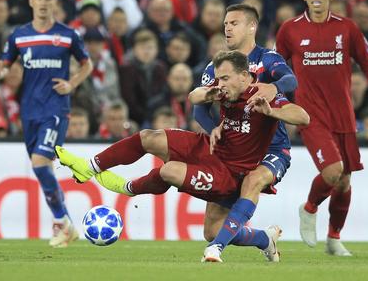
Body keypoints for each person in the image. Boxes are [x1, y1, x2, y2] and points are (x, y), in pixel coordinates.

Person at [57, 50, 310, 263]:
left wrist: (272, 112)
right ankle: (90, 167)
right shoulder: (222, 90)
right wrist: (211, 93)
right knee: (149, 136)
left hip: (229, 173)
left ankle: (130, 188)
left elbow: (302, 117)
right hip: (208, 147)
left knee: (202, 218)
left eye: (226, 78)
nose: (220, 83)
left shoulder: (264, 95)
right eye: (218, 78)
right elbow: (194, 96)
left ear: (244, 76)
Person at [275, 0, 368, 256]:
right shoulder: (290, 29)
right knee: (333, 171)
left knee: (345, 179)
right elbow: (276, 68)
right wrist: (274, 101)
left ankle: (333, 238)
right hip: (310, 115)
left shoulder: (347, 28)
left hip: (343, 113)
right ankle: (308, 209)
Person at [0, 0, 92, 248]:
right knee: (42, 167)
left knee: (38, 162)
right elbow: (5, 63)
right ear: (31, 2)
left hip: (56, 109)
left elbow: (87, 64)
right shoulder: (19, 35)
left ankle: (61, 222)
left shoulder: (68, 35)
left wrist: (72, 84)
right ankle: (66, 223)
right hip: (29, 111)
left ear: (54, 1)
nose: (45, 3)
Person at [194, 3, 298, 260]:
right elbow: (200, 111)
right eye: (226, 24)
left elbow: (290, 80)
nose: (227, 28)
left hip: (271, 149)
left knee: (253, 180)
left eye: (234, 23)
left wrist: (274, 88)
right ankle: (264, 238)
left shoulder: (268, 59)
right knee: (212, 229)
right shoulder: (216, 66)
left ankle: (216, 249)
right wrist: (214, 128)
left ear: (252, 26)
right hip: (234, 151)